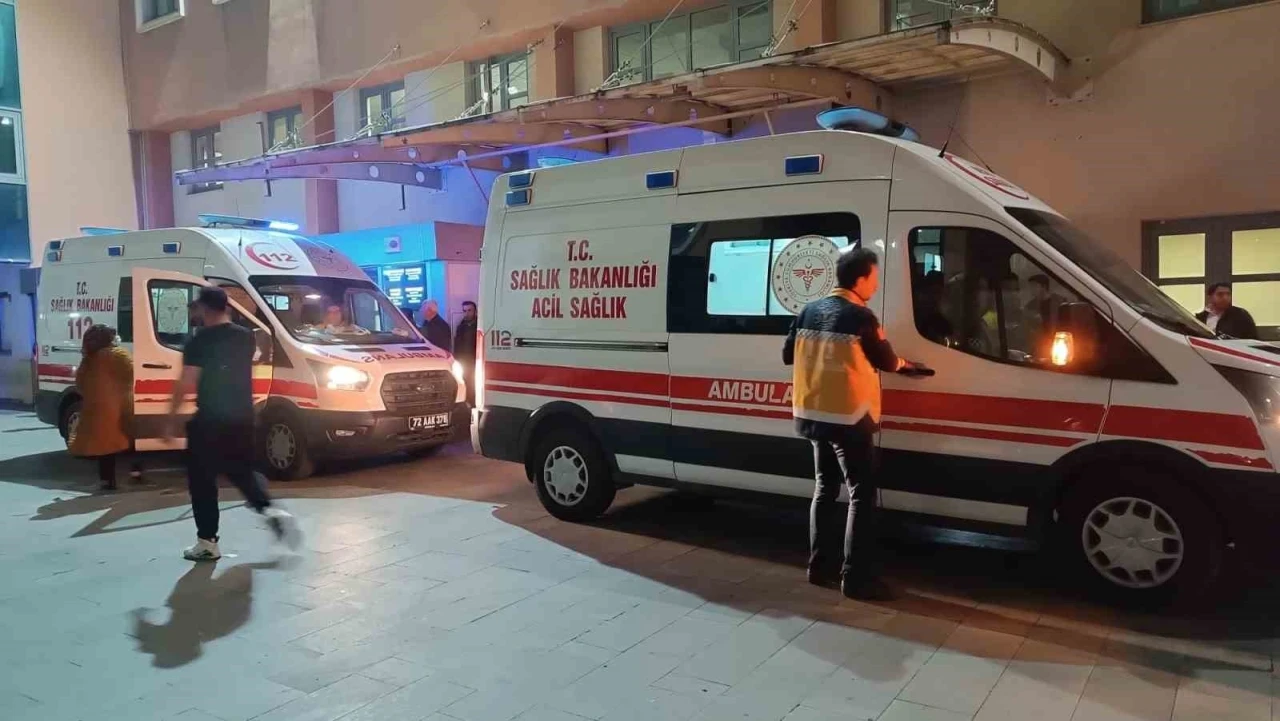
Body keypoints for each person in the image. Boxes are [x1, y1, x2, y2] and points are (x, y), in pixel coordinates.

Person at [783, 247, 923, 601]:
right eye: (874, 279)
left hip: (813, 415)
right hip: (849, 417)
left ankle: (818, 567)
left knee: (824, 489)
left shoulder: (807, 311)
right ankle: (855, 577)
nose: (875, 286)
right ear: (860, 279)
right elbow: (887, 361)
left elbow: (788, 354)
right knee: (861, 494)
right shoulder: (861, 317)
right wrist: (908, 365)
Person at [164, 286, 299, 561]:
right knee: (242, 472)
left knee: (202, 481)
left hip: (210, 420)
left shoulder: (199, 342)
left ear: (204, 308)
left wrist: (171, 418)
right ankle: (271, 510)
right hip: (243, 416)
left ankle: (207, 542)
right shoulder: (245, 336)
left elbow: (187, 380)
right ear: (226, 307)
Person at [69, 324, 141, 490]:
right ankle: (136, 474)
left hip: (96, 410)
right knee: (132, 439)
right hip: (120, 406)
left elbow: (80, 383)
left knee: (106, 448)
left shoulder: (89, 359)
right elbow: (132, 374)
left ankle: (107, 480)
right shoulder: (118, 355)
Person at [453, 301, 478, 405]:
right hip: (463, 362)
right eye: (464, 311)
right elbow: (457, 345)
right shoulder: (461, 327)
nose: (467, 313)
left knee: (474, 384)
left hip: (475, 361)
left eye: (469, 310)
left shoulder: (479, 326)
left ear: (475, 311)